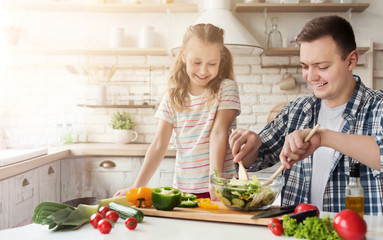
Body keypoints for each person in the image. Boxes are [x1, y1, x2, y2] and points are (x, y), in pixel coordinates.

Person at [229, 15, 383, 215]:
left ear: (351, 60)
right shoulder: (297, 111)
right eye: (305, 66)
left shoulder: (377, 107)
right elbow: (259, 157)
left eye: (322, 67)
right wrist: (251, 147)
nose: (310, 76)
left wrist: (323, 138)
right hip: (298, 232)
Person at [114, 23, 241, 199]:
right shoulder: (173, 96)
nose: (203, 70)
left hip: (221, 187)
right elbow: (159, 144)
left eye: (212, 63)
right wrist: (136, 186)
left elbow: (218, 132)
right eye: (196, 62)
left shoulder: (226, 88)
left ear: (221, 60)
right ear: (183, 55)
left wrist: (216, 179)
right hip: (183, 190)